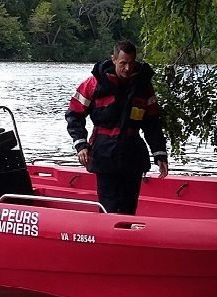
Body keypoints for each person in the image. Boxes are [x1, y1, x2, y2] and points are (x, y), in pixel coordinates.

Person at [66, 40, 168, 215]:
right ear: (113, 59)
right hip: (104, 153)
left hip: (132, 154)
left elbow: (152, 123)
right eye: (123, 63)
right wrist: (81, 145)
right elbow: (74, 115)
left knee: (128, 208)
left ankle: (126, 235)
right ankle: (107, 235)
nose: (127, 68)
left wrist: (159, 153)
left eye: (131, 63)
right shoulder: (93, 84)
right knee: (109, 206)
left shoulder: (143, 87)